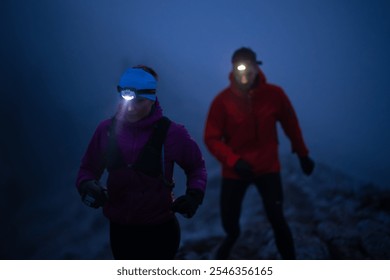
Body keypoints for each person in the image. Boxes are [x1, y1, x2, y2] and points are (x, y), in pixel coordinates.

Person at [76, 65, 207, 260]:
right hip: (120, 231)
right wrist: (86, 185)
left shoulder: (172, 133)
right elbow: (87, 169)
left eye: (140, 101)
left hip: (161, 231)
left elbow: (196, 167)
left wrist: (194, 196)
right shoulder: (106, 130)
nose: (131, 107)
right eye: (127, 99)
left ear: (153, 99)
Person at [203, 47, 314, 259]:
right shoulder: (222, 101)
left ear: (257, 67)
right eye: (239, 67)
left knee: (277, 217)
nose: (245, 72)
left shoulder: (274, 95)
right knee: (230, 222)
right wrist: (234, 161)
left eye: (249, 66)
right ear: (233, 69)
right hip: (235, 170)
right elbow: (211, 138)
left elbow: (291, 124)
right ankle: (230, 242)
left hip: (267, 168)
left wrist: (302, 154)